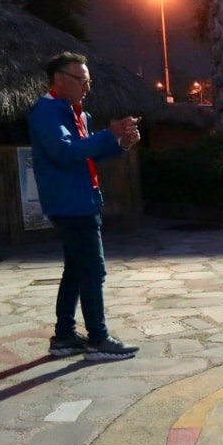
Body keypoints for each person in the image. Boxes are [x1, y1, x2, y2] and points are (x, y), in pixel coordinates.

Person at [29, 52, 141, 361]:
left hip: (82, 200)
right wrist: (110, 133)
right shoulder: (46, 111)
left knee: (76, 270)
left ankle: (64, 336)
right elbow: (64, 154)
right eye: (82, 80)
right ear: (60, 79)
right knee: (93, 269)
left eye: (88, 80)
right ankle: (98, 339)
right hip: (70, 203)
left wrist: (121, 144)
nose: (87, 87)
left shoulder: (79, 114)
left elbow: (87, 155)